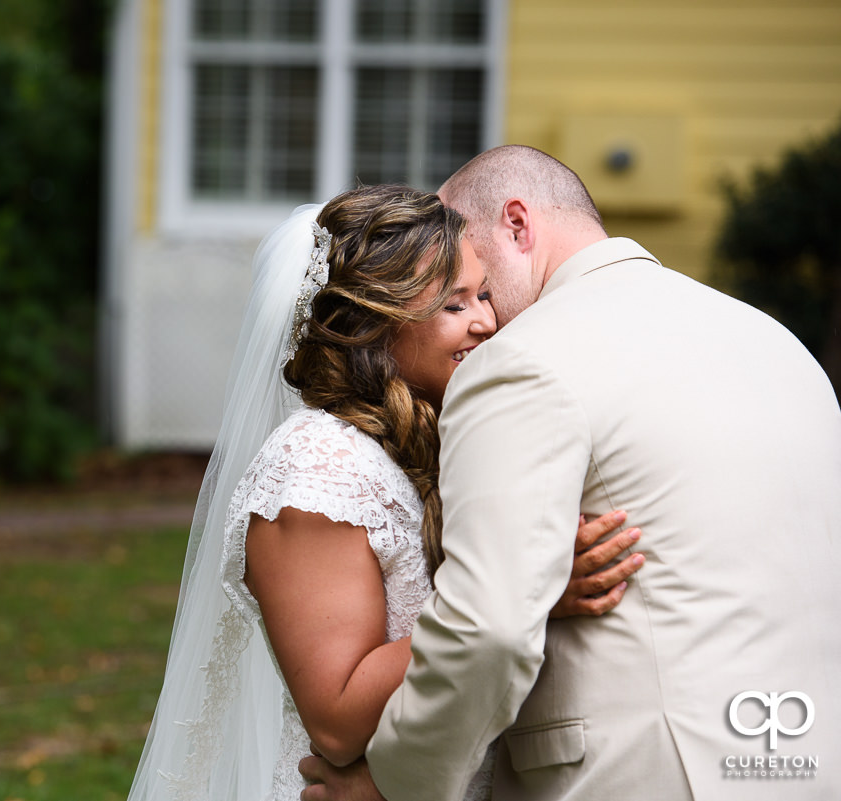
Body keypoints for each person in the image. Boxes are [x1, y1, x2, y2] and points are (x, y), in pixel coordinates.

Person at [301, 146, 841, 801]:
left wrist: (393, 786)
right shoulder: (779, 346)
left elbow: (489, 628)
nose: (485, 314)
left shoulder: (525, 361)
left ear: (518, 225)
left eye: (472, 271)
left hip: (640, 775)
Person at [125, 184, 644, 801]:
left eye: (483, 294)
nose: (487, 321)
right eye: (455, 305)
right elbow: (338, 716)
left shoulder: (429, 440)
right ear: (375, 325)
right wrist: (527, 593)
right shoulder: (318, 468)